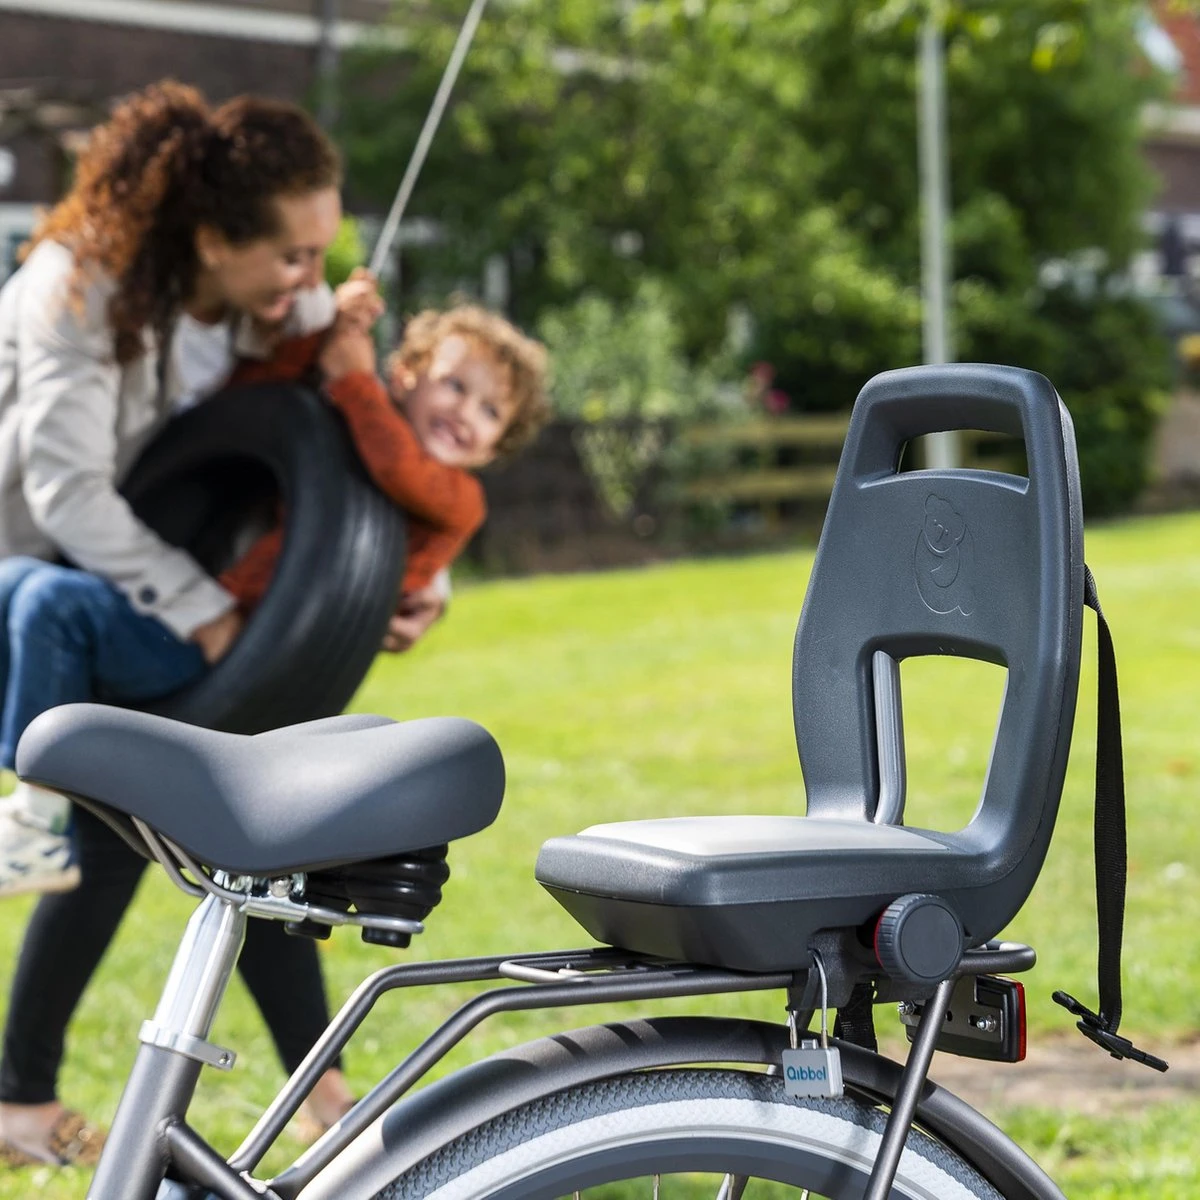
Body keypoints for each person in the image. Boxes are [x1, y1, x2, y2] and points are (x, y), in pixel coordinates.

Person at [0, 80, 360, 1165]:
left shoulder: (217, 299)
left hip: (113, 593)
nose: (310, 280)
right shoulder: (73, 290)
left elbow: (314, 415)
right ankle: (326, 1097)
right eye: (296, 256)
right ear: (213, 235)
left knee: (197, 825)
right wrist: (204, 613)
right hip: (38, 598)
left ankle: (22, 1105)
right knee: (202, 820)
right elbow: (67, 495)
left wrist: (376, 579)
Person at [222, 297, 552, 630]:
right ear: (403, 376)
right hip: (248, 596)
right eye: (454, 385)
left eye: (490, 411)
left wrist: (353, 379)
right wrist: (332, 326)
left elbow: (399, 468)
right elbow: (274, 388)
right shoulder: (361, 418)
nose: (464, 412)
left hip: (304, 634)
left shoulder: (464, 502)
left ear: (491, 451)